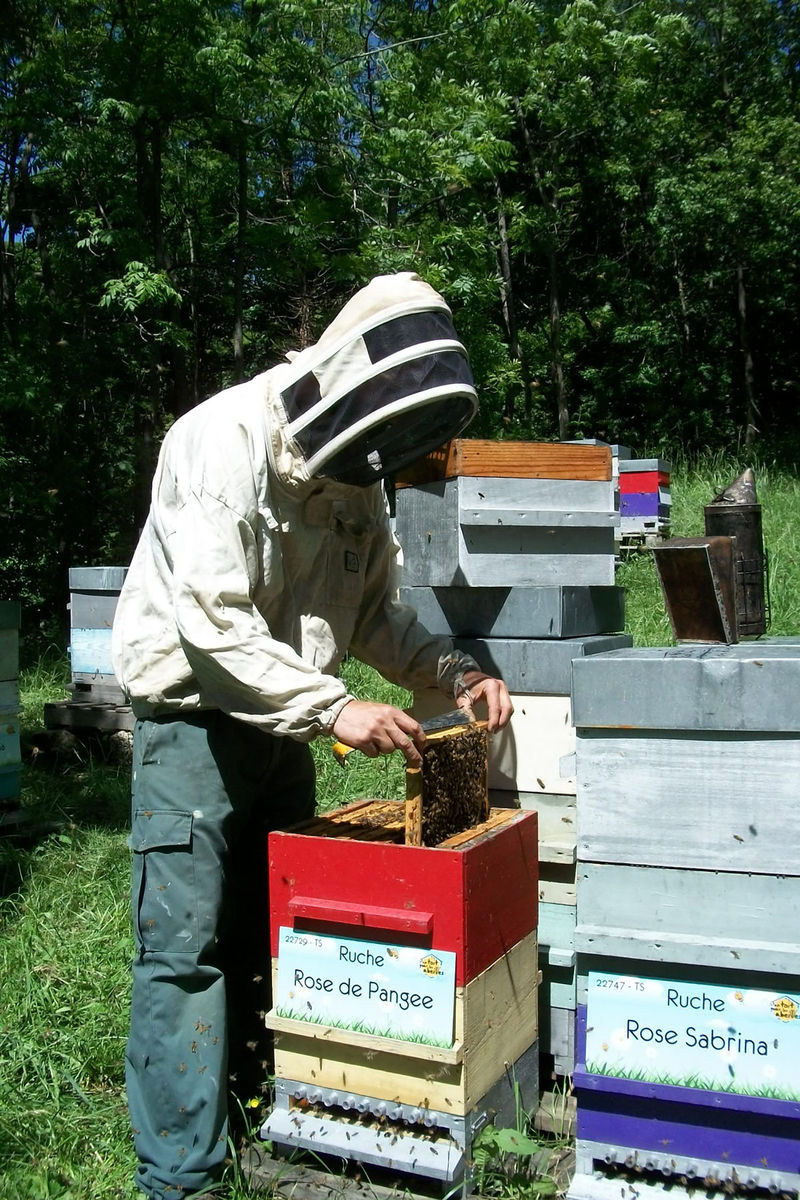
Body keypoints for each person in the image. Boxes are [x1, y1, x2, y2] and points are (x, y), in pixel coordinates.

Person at [112, 272, 513, 1200]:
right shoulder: (217, 442)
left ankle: (261, 1111)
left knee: (271, 929)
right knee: (186, 952)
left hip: (280, 730)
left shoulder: (353, 473)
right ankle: (181, 1175)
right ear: (338, 384)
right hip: (192, 728)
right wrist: (336, 710)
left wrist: (456, 673)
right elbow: (212, 629)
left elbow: (377, 616)